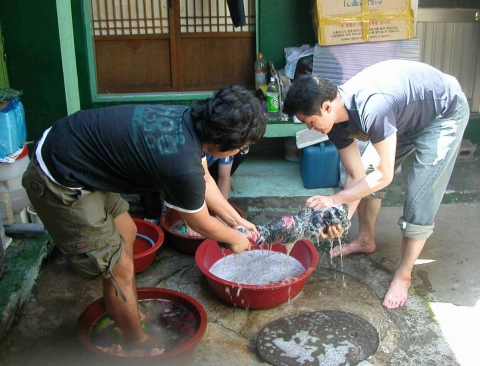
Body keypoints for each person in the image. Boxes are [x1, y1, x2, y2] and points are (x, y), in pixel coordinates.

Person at [21, 85, 266, 353]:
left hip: (79, 154)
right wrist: (234, 239)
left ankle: (125, 307)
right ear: (223, 141)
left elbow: (204, 177)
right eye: (241, 148)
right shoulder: (180, 163)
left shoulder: (192, 121)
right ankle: (137, 343)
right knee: (120, 269)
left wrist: (236, 222)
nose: (239, 153)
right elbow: (198, 222)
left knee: (126, 231)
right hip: (60, 178)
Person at [283, 60, 469, 309]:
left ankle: (404, 274)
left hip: (442, 114)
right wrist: (341, 219)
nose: (310, 129)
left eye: (309, 122)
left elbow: (385, 175)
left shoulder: (373, 108)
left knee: (420, 194)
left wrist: (335, 200)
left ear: (326, 106)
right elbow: (355, 175)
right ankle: (365, 240)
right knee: (366, 180)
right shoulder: (335, 121)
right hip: (402, 118)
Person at [140, 151, 245, 225]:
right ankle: (153, 215)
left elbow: (223, 177)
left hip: (198, 167)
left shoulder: (228, 145)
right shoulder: (189, 146)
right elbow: (182, 180)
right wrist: (189, 220)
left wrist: (221, 214)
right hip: (158, 163)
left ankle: (207, 201)